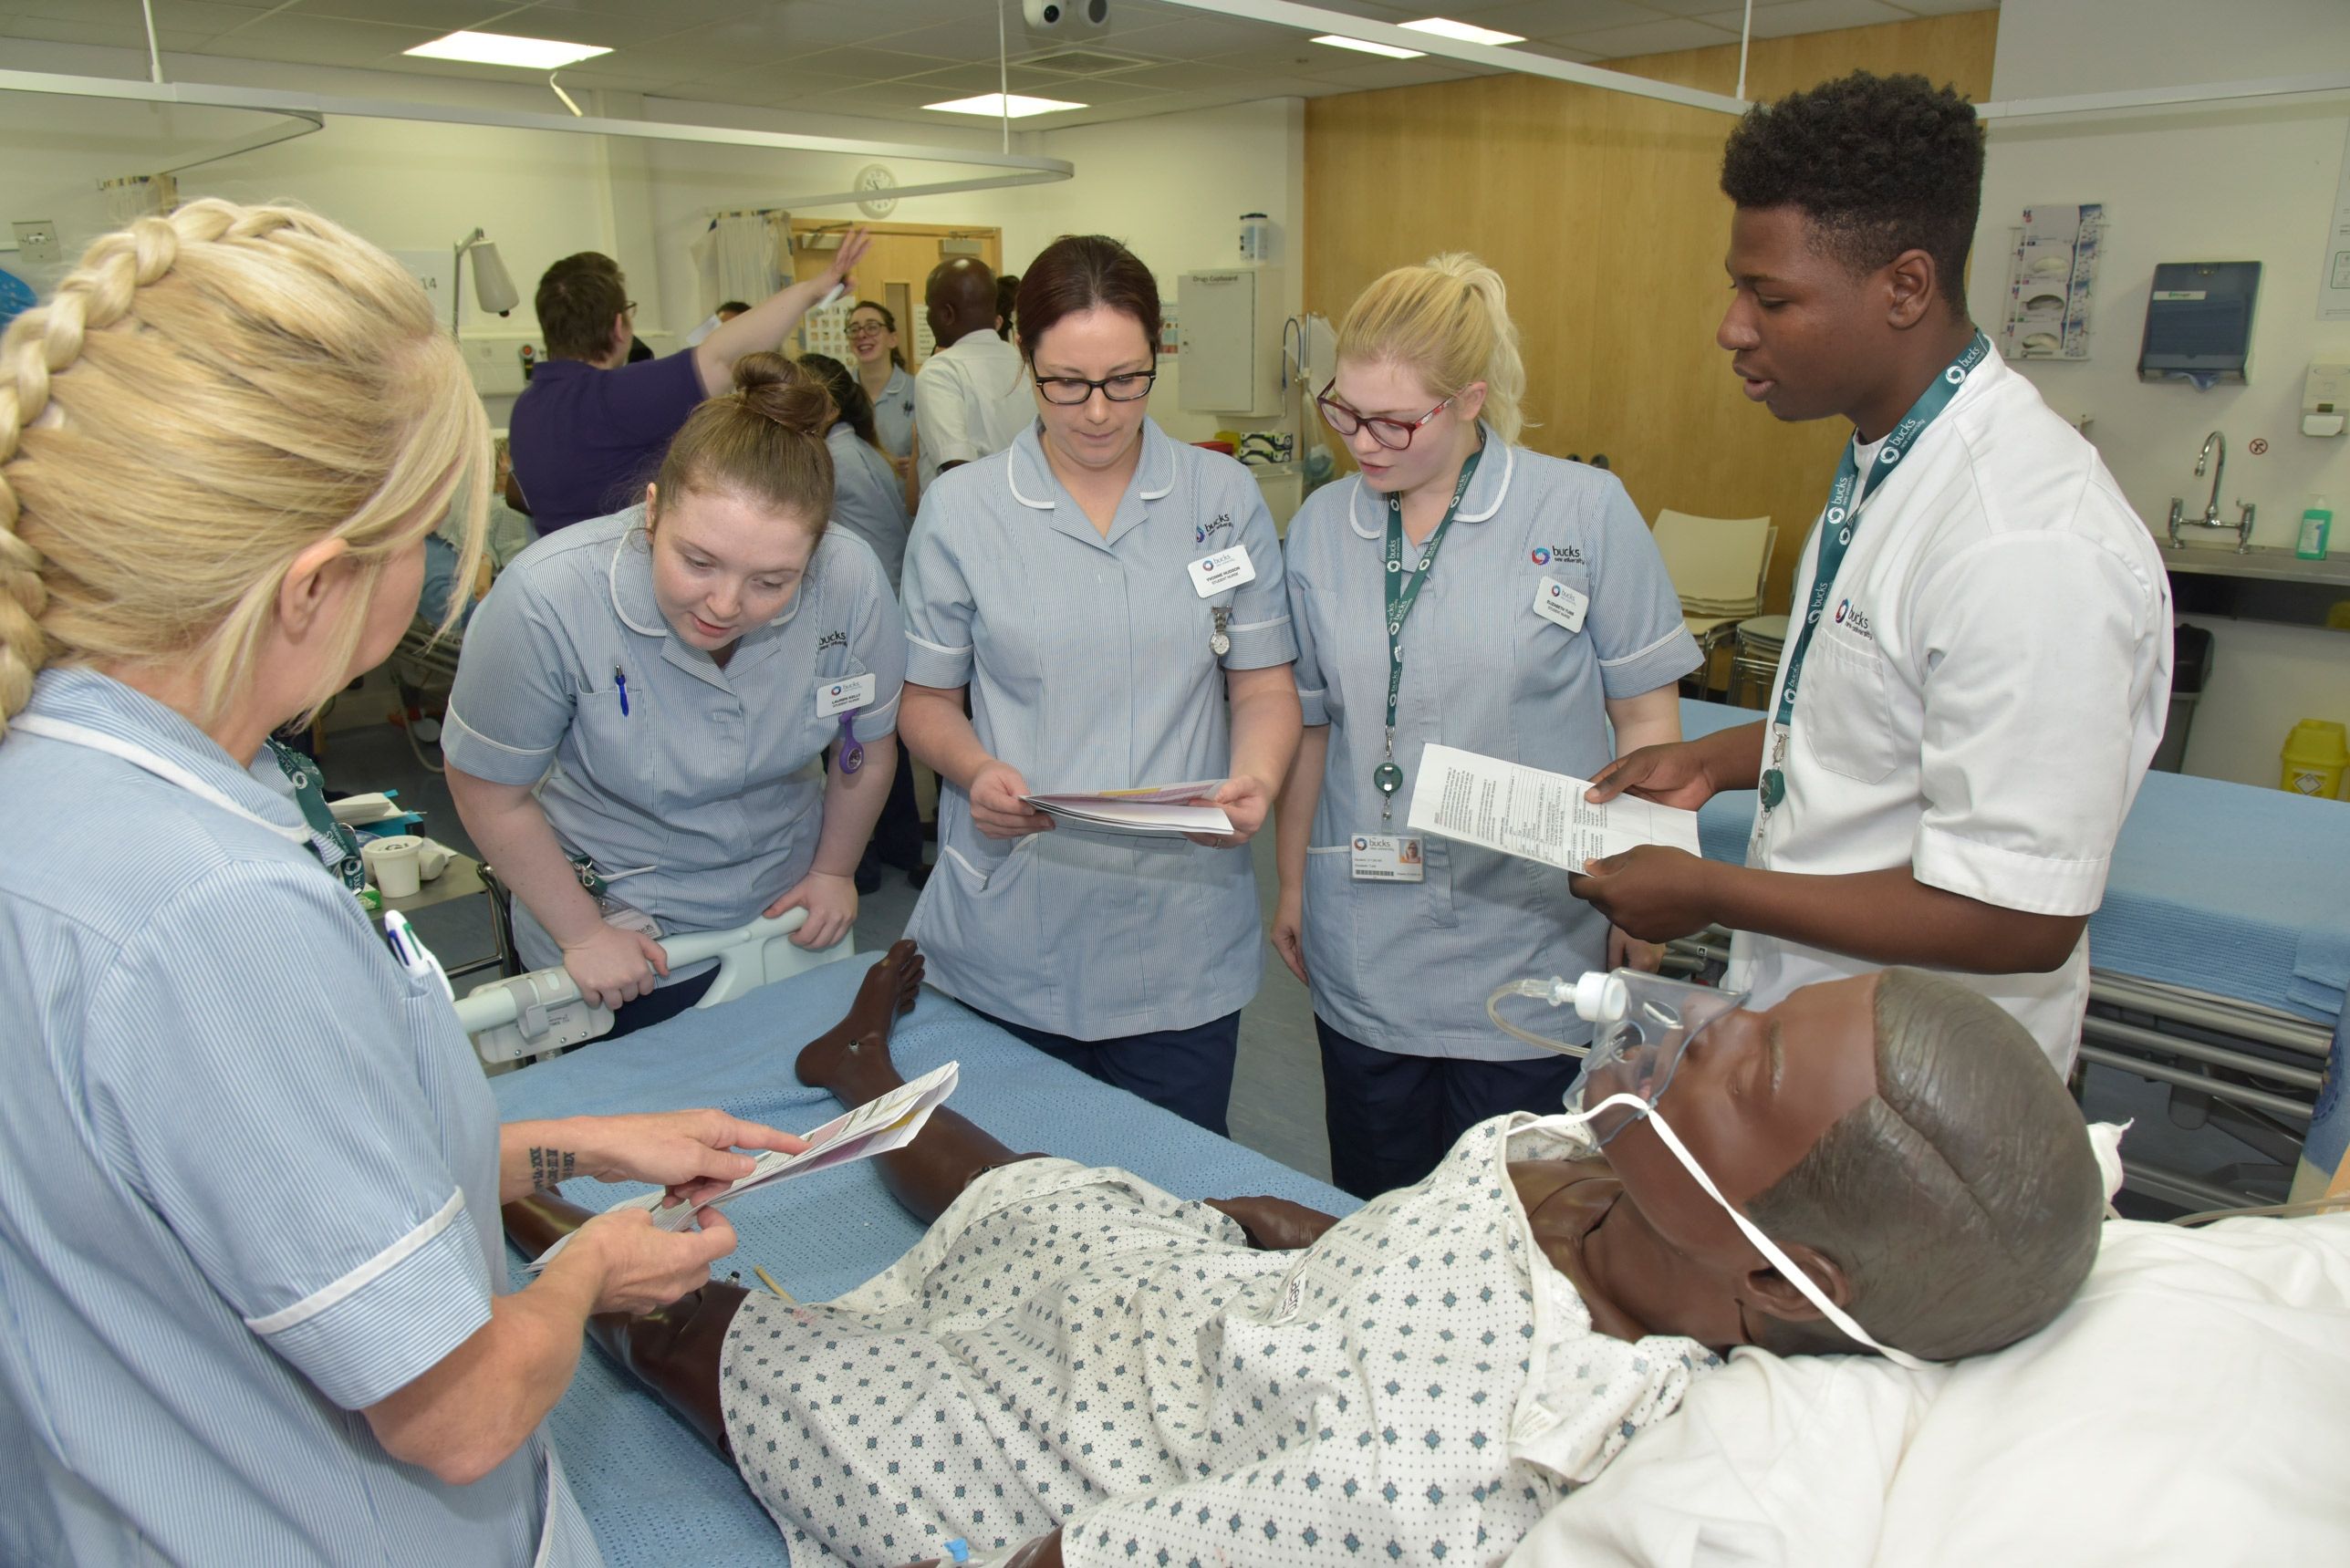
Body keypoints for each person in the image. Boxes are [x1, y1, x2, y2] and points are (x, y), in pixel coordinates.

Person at [0, 199, 811, 1566]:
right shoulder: (211, 915)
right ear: (320, 582)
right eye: (434, 529)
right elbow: (459, 1410)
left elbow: (241, 1184)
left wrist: (572, 1145)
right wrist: (587, 1269)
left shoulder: (78, 782)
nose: (447, 563)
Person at [505, 940, 2106, 1568]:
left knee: (740, 1348)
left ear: (1772, 1275)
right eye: (1755, 1008)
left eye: (1746, 1066)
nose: (1707, 1026)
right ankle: (860, 1072)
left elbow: (1126, 1551)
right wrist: (1306, 1233)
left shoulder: (1456, 1465)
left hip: (1081, 1455)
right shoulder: (1604, 1174)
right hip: (1227, 1298)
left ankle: (522, 1221)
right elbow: (1412, 1257)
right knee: (1049, 1192)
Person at [1571, 72, 2171, 1073]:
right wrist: (1716, 763)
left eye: (1770, 297)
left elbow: (2016, 920)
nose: (1731, 326)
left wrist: (1708, 892)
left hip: (1927, 1090)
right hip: (1813, 1034)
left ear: (1903, 286)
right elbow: (1882, 712)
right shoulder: (1883, 458)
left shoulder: (2022, 543)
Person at [1274, 255, 1699, 1199]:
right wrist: (1292, 876)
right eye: (1342, 411)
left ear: (1469, 401)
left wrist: (1641, 890)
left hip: (1532, 935)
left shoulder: (1580, 512)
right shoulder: (1315, 530)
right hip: (1366, 931)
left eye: (1394, 421)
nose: (1361, 443)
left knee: (1517, 1220)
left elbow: (1643, 713)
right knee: (1376, 1206)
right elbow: (1311, 726)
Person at [897, 234, 1301, 1134]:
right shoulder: (965, 512)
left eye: (1125, 378)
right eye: (1063, 382)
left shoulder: (1221, 498)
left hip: (1176, 941)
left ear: (1158, 352)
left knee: (1176, 1214)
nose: (1095, 411)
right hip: (1015, 923)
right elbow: (923, 701)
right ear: (1021, 358)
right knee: (1014, 1211)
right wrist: (972, 773)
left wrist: (1256, 782)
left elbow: (1264, 685)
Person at [445, 354, 905, 1037]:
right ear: (653, 511)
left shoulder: (850, 578)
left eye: (773, 581)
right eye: (698, 562)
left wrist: (836, 869)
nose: (725, 604)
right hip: (619, 926)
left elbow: (864, 740)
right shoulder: (550, 598)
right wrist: (580, 933)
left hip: (783, 909)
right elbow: (487, 787)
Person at [507, 231, 870, 535]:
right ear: (619, 326)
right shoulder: (614, 397)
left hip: (557, 588)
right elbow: (725, 356)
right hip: (625, 590)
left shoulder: (524, 411)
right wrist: (811, 290)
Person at [801, 349, 927, 891]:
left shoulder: (824, 462)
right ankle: (897, 846)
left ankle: (863, 861)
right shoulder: (866, 451)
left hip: (850, 617)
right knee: (880, 734)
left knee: (848, 739)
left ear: (822, 406)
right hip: (888, 610)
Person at [913, 254, 1033, 493]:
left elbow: (956, 469)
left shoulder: (940, 371)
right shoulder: (1026, 363)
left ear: (947, 314)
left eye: (929, 307)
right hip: (1030, 514)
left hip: (968, 522)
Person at [848, 297, 921, 509]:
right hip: (856, 514)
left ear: (892, 339)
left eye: (872, 327)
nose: (862, 335)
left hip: (904, 516)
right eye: (854, 329)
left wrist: (915, 465)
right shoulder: (838, 395)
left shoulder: (917, 390)